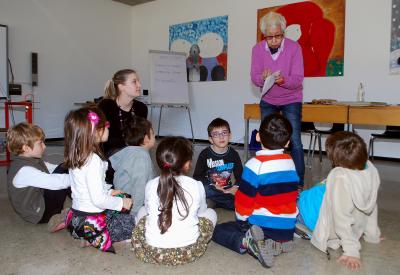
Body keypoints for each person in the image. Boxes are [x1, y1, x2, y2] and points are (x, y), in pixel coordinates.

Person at [213, 113, 300, 268]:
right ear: (287, 143)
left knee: (219, 230)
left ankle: (249, 242)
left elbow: (244, 200)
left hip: (262, 227)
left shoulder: (255, 164)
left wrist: (241, 220)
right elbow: (292, 194)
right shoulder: (290, 162)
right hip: (287, 228)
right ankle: (280, 242)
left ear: (258, 137)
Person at [297, 131, 382, 271]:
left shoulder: (340, 179)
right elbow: (371, 204)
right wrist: (372, 234)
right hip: (312, 202)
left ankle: (295, 226)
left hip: (307, 213)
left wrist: (351, 252)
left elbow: (341, 218)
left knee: (283, 204)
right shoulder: (369, 169)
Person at [132, 136, 217, 265]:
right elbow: (201, 213)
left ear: (159, 161)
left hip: (153, 251)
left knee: (143, 210)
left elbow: (149, 211)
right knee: (211, 213)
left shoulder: (150, 185)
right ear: (187, 163)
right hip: (188, 251)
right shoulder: (196, 185)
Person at [63, 106, 134, 253]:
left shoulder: (77, 154)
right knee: (132, 223)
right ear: (95, 132)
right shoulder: (93, 160)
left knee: (121, 196)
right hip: (91, 223)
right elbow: (98, 200)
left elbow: (88, 189)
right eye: (106, 125)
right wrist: (121, 203)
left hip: (76, 219)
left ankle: (73, 226)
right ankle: (94, 238)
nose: (109, 128)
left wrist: (111, 191)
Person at [251, 11, 305, 189]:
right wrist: (262, 78)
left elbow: (298, 79)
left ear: (283, 32)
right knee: (267, 140)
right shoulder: (257, 49)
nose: (274, 40)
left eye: (278, 36)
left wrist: (284, 80)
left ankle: (298, 185)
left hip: (291, 99)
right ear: (264, 35)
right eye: (269, 37)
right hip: (268, 98)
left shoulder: (294, 48)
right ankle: (268, 179)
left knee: (295, 140)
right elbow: (254, 77)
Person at [6, 123, 71, 231]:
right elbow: (55, 182)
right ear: (26, 148)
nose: (44, 146)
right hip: (40, 214)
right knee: (63, 176)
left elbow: (51, 168)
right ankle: (83, 208)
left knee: (64, 167)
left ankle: (79, 205)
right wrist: (80, 178)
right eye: (40, 143)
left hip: (39, 206)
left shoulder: (29, 160)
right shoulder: (24, 171)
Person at [110, 116, 156, 217]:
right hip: (132, 207)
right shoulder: (141, 156)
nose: (154, 137)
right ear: (146, 139)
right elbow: (139, 186)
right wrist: (135, 213)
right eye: (152, 134)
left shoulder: (129, 152)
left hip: (123, 201)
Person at [193, 118, 243, 210]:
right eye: (216, 134)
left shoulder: (233, 154)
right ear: (210, 139)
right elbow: (197, 177)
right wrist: (213, 186)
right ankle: (235, 204)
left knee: (249, 188)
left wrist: (235, 187)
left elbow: (240, 176)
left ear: (230, 135)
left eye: (224, 133)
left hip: (228, 190)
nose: (221, 137)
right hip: (211, 190)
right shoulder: (205, 154)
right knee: (206, 191)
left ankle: (230, 202)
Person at [98, 69, 148, 156]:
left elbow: (141, 138)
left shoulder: (141, 108)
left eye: (138, 81)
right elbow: (104, 139)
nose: (139, 85)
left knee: (142, 155)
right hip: (109, 154)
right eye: (134, 82)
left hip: (134, 152)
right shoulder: (105, 106)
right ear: (121, 86)